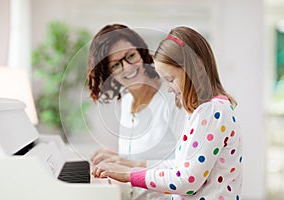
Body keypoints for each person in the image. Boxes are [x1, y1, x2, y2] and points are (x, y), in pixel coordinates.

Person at [93, 26, 243, 200]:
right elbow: (181, 167)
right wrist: (126, 166)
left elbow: (187, 181)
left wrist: (130, 174)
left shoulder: (212, 112)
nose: (169, 89)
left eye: (170, 80)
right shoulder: (203, 112)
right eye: (116, 64)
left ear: (195, 68)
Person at [87, 24, 185, 200]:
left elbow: (187, 168)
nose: (128, 68)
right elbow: (143, 158)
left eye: (131, 56)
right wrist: (117, 158)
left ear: (141, 53)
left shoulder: (172, 99)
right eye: (116, 65)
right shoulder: (126, 101)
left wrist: (131, 165)